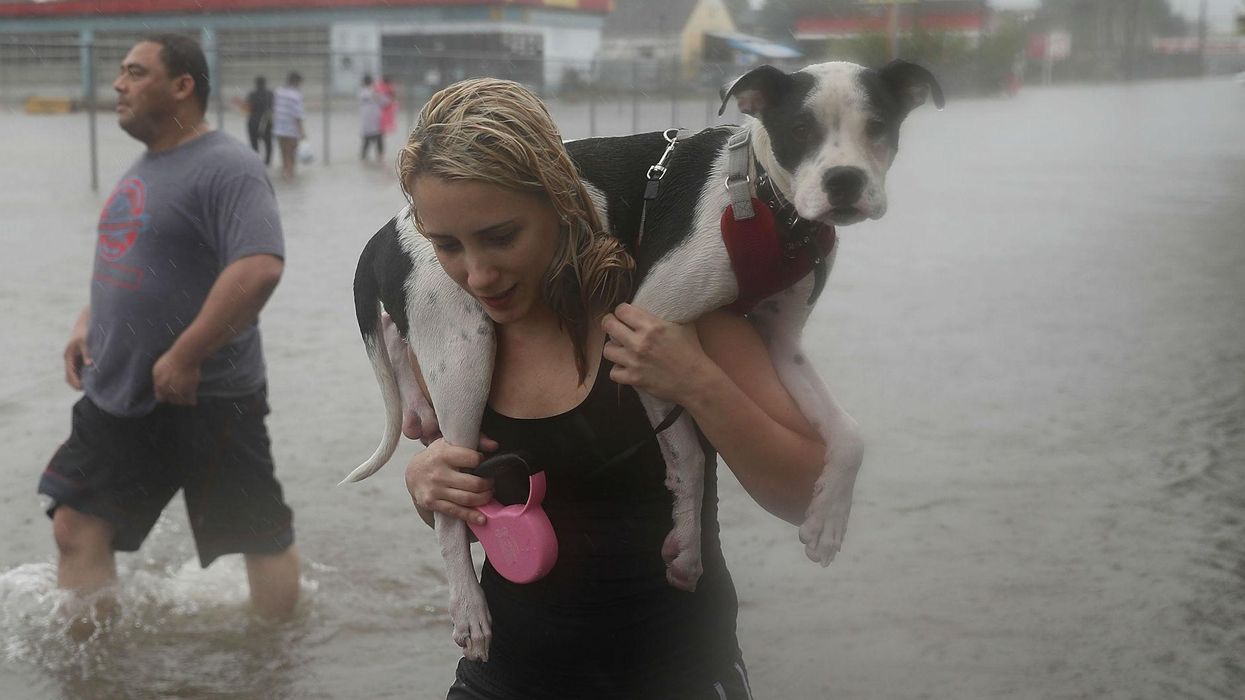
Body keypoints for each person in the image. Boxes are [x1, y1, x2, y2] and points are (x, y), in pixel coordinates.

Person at [398, 78, 826, 699]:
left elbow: (807, 496)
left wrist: (697, 383)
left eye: (500, 236)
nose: (478, 273)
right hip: (502, 682)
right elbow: (489, 510)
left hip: (679, 678)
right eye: (446, 246)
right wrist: (428, 484)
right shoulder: (453, 333)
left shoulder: (674, 310)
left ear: (561, 200)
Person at [41, 34, 300, 634]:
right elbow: (135, 263)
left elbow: (259, 266)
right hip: (120, 389)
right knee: (75, 525)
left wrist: (187, 355)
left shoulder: (228, 166)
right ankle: (97, 667)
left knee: (257, 534)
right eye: (121, 73)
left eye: (135, 72)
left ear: (183, 85)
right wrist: (87, 325)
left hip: (205, 394)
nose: (118, 85)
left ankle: (277, 663)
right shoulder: (146, 166)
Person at [272, 71, 305, 178]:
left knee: (283, 152)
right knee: (291, 153)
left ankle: (285, 171)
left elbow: (275, 109)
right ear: (297, 82)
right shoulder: (296, 95)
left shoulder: (278, 91)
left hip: (279, 128)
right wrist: (302, 132)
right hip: (291, 129)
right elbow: (298, 115)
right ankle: (290, 174)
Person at [358, 74, 390, 162]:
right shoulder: (366, 92)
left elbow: (386, 102)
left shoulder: (371, 92)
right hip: (371, 122)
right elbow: (385, 101)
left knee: (376, 140)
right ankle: (367, 158)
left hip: (376, 122)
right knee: (368, 141)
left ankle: (378, 157)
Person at [245, 75, 274, 165]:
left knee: (254, 143)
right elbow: (272, 107)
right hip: (266, 121)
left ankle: (256, 160)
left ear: (256, 84)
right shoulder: (270, 94)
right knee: (268, 142)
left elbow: (247, 109)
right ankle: (267, 161)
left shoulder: (251, 94)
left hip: (253, 120)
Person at [376, 73, 397, 138]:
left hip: (387, 107)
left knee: (382, 125)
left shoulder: (389, 86)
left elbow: (393, 95)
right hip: (380, 107)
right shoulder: (379, 85)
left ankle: (381, 130)